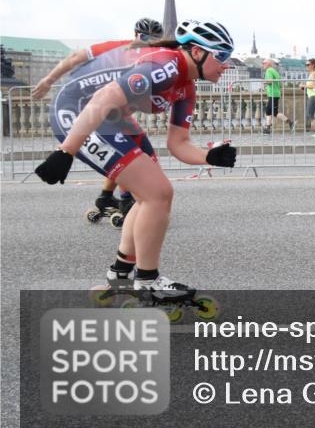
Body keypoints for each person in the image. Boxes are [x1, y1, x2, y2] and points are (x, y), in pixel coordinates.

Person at [34, 19, 238, 306]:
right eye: (222, 56)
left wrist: (209, 157)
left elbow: (177, 143)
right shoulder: (166, 65)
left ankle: (121, 272)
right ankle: (148, 280)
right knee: (158, 193)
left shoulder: (186, 86)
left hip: (110, 115)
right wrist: (66, 151)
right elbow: (104, 97)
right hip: (79, 109)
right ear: (196, 52)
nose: (227, 65)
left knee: (150, 193)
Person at [31, 17, 165, 223]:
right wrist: (48, 80)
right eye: (145, 37)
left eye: (155, 39)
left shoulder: (157, 58)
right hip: (91, 110)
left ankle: (105, 198)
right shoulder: (116, 49)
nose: (149, 43)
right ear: (135, 36)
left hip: (116, 113)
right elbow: (76, 57)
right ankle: (127, 200)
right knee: (131, 156)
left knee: (142, 152)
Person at [262, 58, 292, 133]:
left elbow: (270, 81)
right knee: (268, 111)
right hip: (274, 93)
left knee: (274, 112)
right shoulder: (274, 71)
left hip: (273, 94)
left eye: (264, 63)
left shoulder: (269, 70)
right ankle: (268, 128)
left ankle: (290, 122)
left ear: (269, 64)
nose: (263, 65)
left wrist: (264, 82)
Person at [301, 57, 315, 137]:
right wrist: (304, 87)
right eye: (306, 65)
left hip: (314, 96)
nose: (306, 66)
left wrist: (304, 85)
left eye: (308, 64)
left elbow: (313, 85)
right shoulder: (312, 74)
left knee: (310, 114)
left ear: (313, 65)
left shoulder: (313, 73)